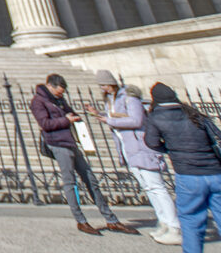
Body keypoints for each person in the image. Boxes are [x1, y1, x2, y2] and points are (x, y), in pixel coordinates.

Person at [143, 83, 221, 253]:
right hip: (216, 174)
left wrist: (170, 149)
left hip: (188, 175)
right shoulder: (194, 114)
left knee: (191, 224)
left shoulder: (156, 117)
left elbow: (151, 142)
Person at [30, 74, 139, 236]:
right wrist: (66, 120)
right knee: (70, 182)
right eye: (59, 92)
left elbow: (70, 113)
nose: (61, 95)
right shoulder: (38, 101)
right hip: (57, 143)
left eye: (62, 92)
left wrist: (81, 115)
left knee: (91, 179)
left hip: (70, 141)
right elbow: (45, 124)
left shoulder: (58, 99)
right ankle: (81, 221)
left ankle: (111, 220)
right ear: (50, 86)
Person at [84, 71, 181, 244]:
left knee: (157, 187)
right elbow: (116, 117)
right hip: (128, 149)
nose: (102, 88)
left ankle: (175, 226)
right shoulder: (111, 100)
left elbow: (136, 120)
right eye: (101, 85)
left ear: (111, 83)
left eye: (104, 84)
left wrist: (109, 121)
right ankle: (164, 222)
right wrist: (98, 113)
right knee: (148, 188)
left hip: (142, 147)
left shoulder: (129, 97)